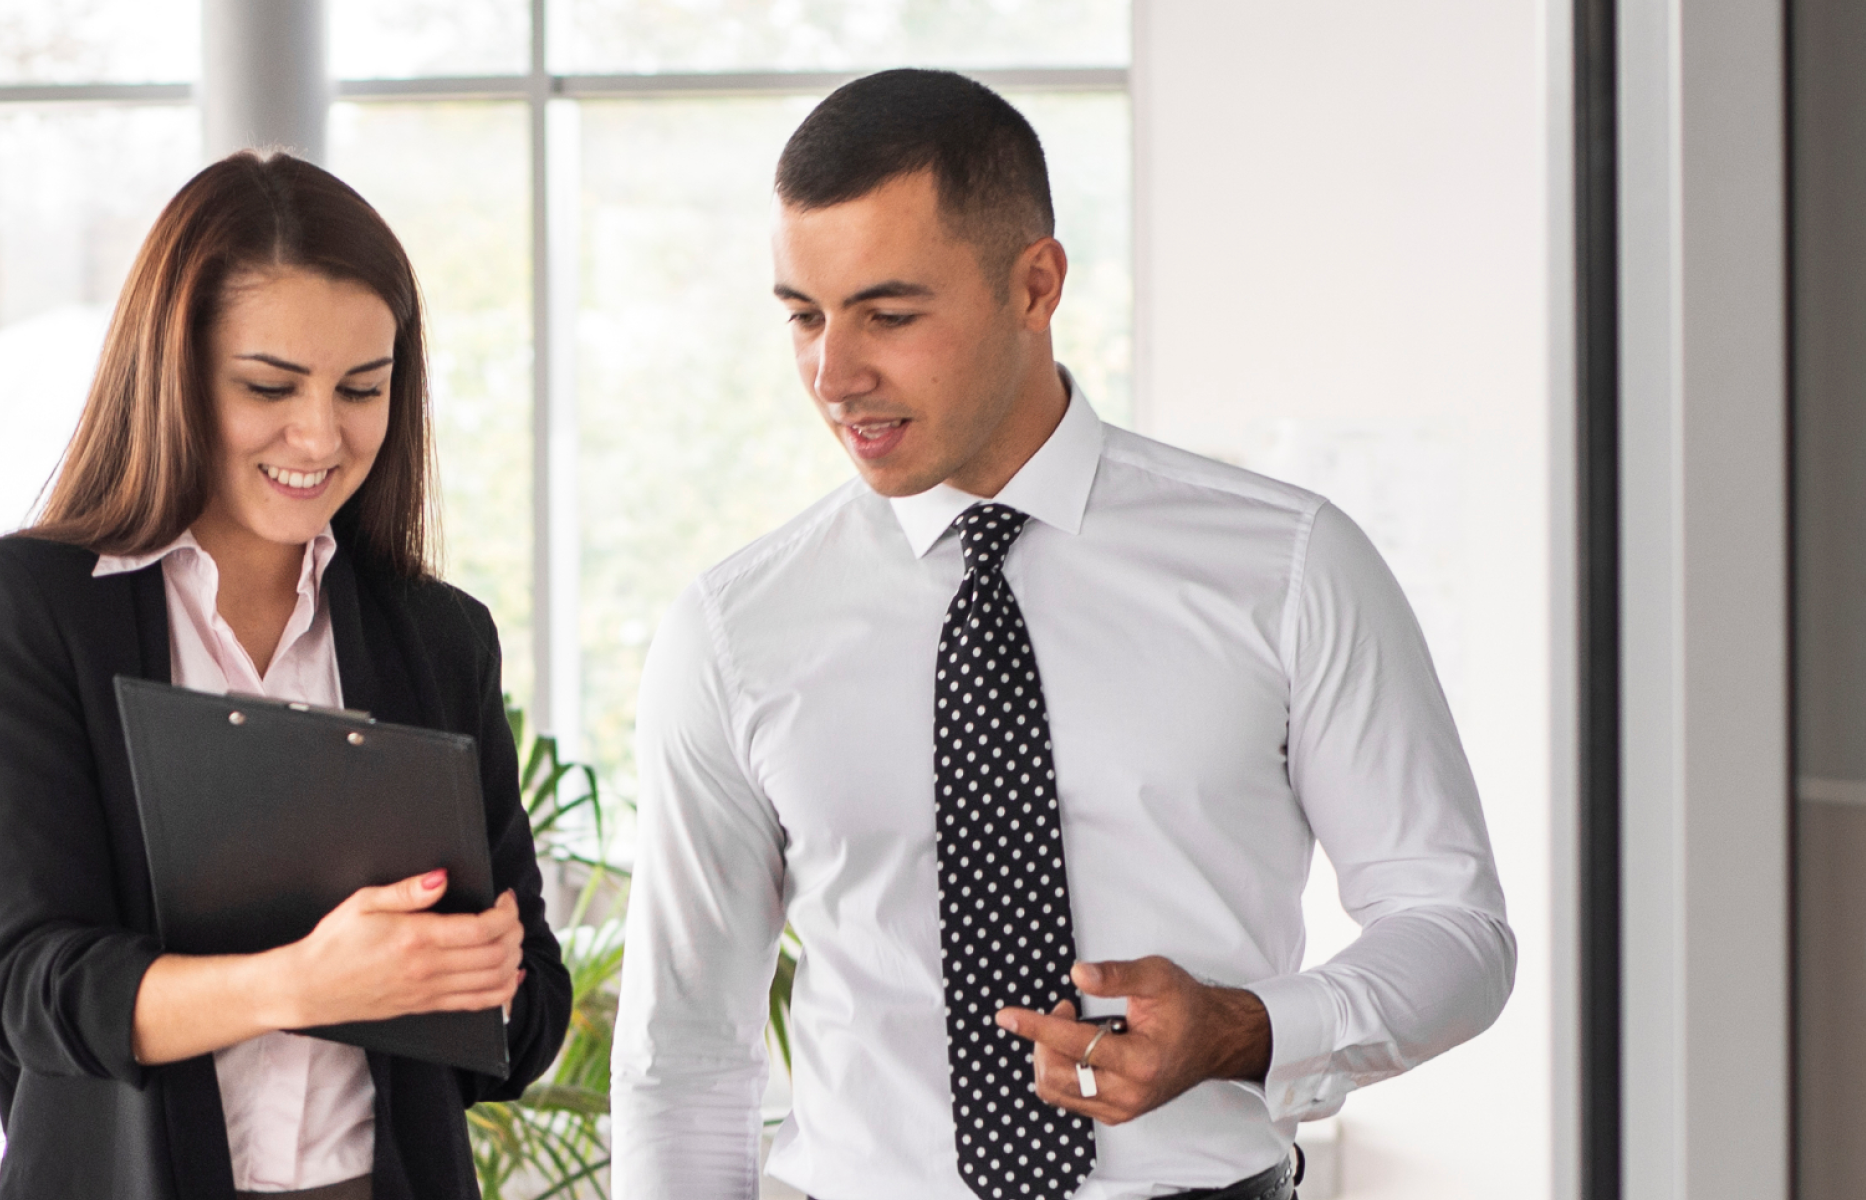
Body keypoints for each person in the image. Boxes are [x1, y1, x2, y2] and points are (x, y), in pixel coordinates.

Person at [614, 70, 1514, 1200]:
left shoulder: (1286, 565)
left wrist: (1247, 1029)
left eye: (889, 315)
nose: (834, 377)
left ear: (1034, 285)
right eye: (804, 315)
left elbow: (1455, 929)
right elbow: (684, 1053)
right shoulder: (735, 627)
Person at [0, 150, 574, 1200]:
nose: (320, 435)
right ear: (174, 372)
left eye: (361, 389)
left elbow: (531, 1016)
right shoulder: (34, 610)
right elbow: (38, 991)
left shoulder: (437, 636)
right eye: (269, 386)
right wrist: (305, 983)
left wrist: (485, 976)